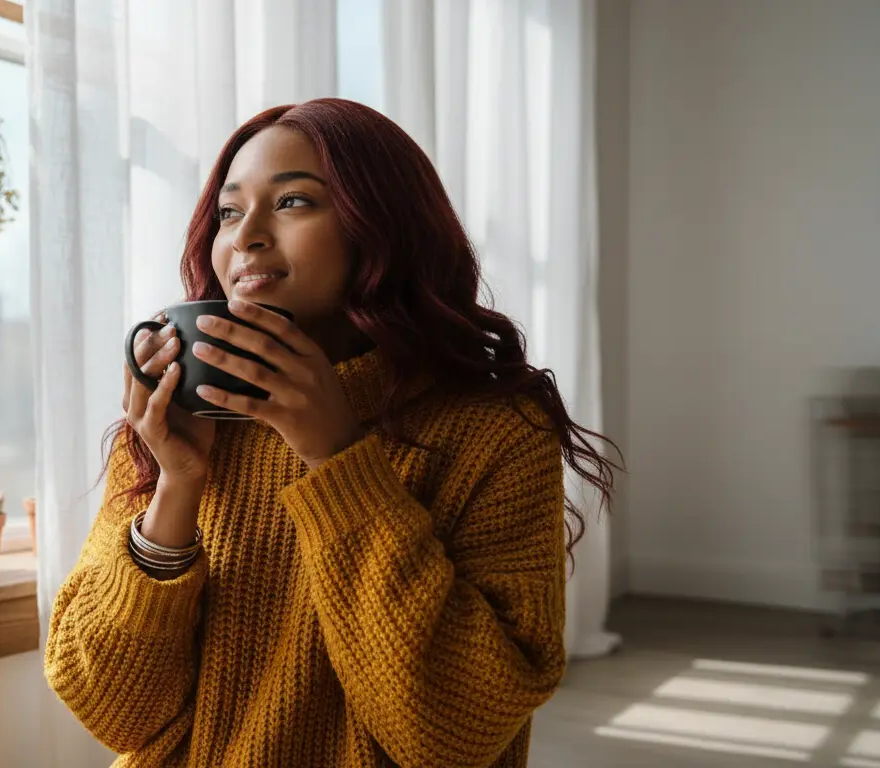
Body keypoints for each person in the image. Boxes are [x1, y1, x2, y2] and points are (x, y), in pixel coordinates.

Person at [44, 97, 620, 768]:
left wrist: (337, 458)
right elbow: (113, 711)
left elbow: (454, 734)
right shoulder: (176, 420)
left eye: (292, 203)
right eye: (229, 212)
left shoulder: (494, 433)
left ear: (382, 226)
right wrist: (177, 483)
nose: (246, 236)